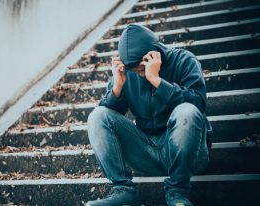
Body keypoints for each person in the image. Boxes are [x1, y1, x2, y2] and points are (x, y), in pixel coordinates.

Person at [86, 24, 213, 206]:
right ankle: (123, 189)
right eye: (135, 71)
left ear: (154, 55)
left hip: (189, 154)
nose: (140, 75)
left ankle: (178, 193)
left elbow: (198, 104)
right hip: (147, 153)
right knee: (98, 115)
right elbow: (108, 121)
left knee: (186, 110)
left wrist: (157, 80)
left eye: (141, 70)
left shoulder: (184, 60)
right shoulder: (127, 74)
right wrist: (117, 88)